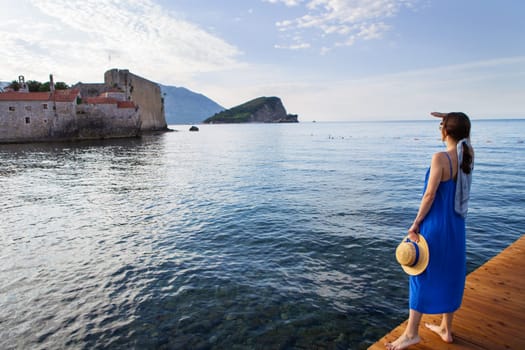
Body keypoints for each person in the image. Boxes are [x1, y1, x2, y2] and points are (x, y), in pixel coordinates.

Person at [386, 112, 474, 350]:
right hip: (456, 226)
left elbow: (430, 195)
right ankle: (446, 328)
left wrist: (415, 224)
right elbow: (461, 132)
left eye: (441, 125)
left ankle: (411, 333)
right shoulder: (468, 155)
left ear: (445, 131)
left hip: (435, 225)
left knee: (420, 274)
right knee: (450, 273)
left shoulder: (440, 158)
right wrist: (453, 119)